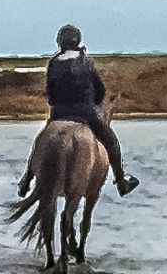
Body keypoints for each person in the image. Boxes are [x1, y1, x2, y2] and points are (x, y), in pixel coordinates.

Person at [47, 24, 139, 194]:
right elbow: (100, 91)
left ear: (60, 42)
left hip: (59, 113)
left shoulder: (53, 63)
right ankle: (121, 181)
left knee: (42, 140)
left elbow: (50, 95)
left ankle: (27, 179)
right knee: (111, 141)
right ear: (77, 41)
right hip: (85, 113)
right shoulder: (86, 63)